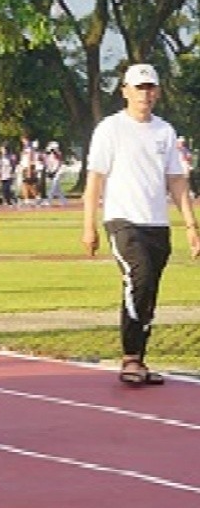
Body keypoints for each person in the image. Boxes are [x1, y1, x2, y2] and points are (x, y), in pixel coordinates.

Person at [82, 63, 200, 386]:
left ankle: (139, 358)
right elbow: (95, 180)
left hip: (156, 223)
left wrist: (191, 226)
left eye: (150, 88)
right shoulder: (110, 129)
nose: (144, 94)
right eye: (138, 88)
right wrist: (88, 226)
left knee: (148, 289)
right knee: (140, 276)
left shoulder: (164, 131)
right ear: (125, 92)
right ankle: (131, 358)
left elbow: (176, 180)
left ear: (157, 92)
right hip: (122, 220)